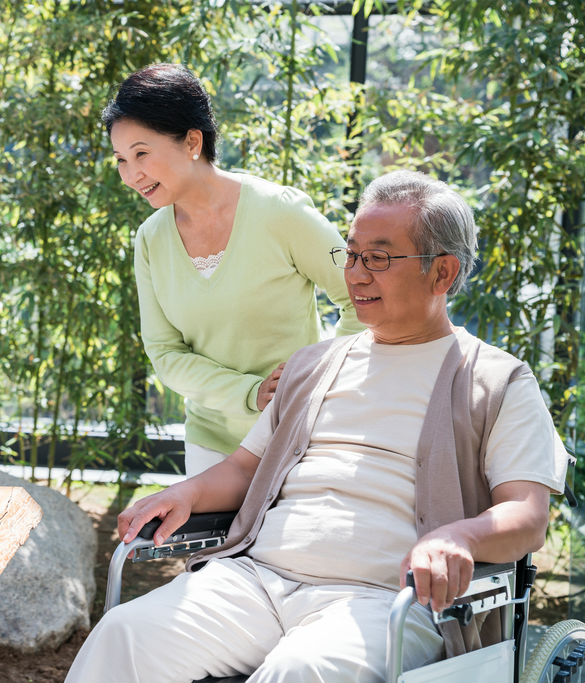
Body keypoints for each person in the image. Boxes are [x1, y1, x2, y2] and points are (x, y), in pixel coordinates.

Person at [65, 170, 569, 683]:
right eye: (350, 255)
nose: (355, 274)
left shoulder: (495, 379)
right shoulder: (312, 364)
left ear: (442, 273)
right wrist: (187, 493)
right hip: (256, 580)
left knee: (300, 672)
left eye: (378, 257)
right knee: (124, 634)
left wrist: (460, 537)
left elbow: (527, 515)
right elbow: (244, 468)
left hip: (385, 602)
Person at [105, 64, 364, 477]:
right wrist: (250, 393)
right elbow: (165, 353)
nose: (131, 174)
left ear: (192, 141)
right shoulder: (151, 239)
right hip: (211, 442)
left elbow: (360, 295)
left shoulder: (280, 211)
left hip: (297, 434)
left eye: (141, 153)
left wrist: (319, 377)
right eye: (121, 159)